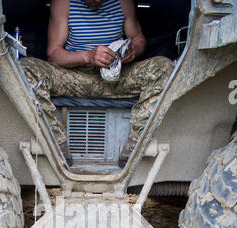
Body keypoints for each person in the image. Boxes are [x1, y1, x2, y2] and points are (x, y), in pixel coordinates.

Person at [21, 0, 174, 167]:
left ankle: (135, 145)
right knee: (27, 68)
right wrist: (88, 56)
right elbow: (54, 53)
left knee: (163, 67)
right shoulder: (63, 3)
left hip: (117, 77)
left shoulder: (123, 3)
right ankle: (57, 145)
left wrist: (132, 50)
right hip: (74, 76)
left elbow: (138, 39)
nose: (96, 1)